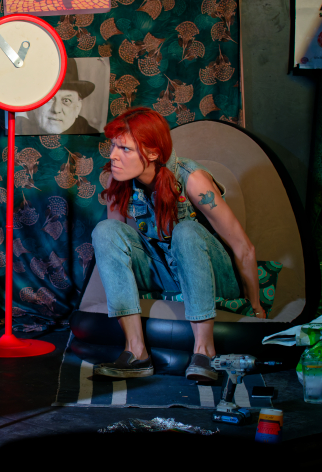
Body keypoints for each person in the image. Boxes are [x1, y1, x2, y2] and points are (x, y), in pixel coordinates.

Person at [90, 107, 265, 381]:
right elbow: (117, 246)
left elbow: (244, 247)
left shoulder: (193, 180)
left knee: (186, 231)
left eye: (124, 149)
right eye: (113, 146)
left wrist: (255, 307)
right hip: (167, 273)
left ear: (152, 153)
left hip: (212, 275)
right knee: (105, 231)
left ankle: (205, 353)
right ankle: (136, 352)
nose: (112, 155)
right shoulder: (119, 179)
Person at [16, 58, 99, 135]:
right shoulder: (17, 131)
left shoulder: (92, 138)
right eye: (49, 99)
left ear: (78, 108)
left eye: (66, 100)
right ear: (34, 104)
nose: (56, 109)